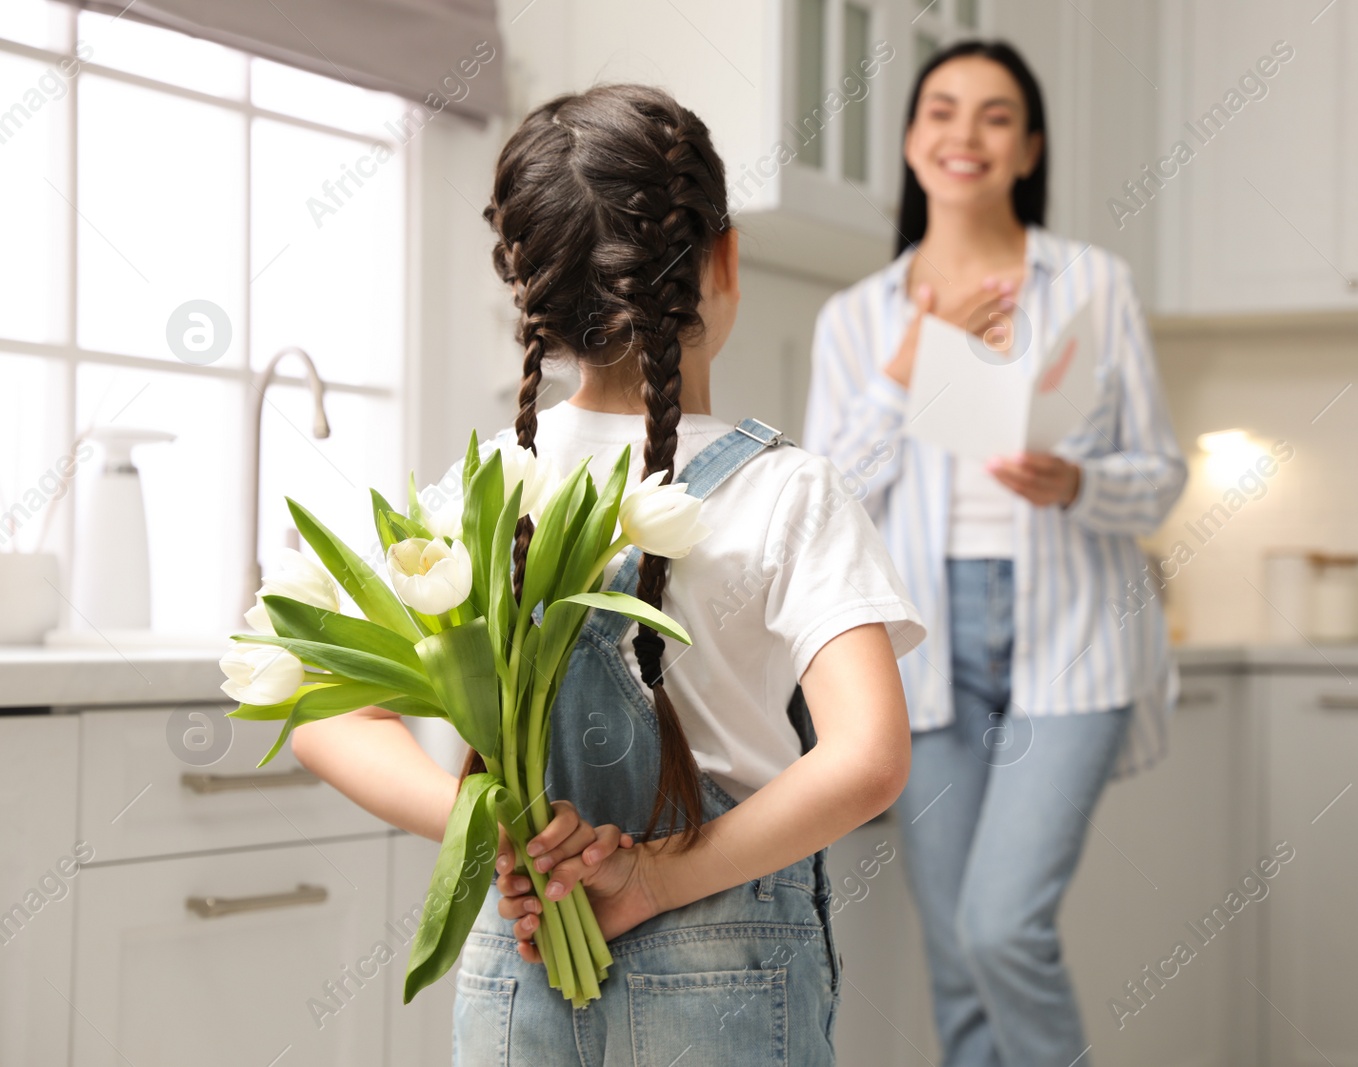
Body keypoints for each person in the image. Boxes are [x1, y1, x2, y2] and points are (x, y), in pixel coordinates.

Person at [290, 83, 926, 1066]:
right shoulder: (790, 491)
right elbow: (869, 755)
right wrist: (658, 880)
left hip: (525, 948)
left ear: (531, 291)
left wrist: (505, 836)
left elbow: (323, 709)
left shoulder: (480, 488)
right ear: (723, 258)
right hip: (723, 945)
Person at [802, 40, 1188, 1066]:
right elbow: (825, 503)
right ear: (909, 139)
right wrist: (904, 367)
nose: (964, 134)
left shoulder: (1093, 287)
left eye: (995, 114)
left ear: (1030, 147)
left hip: (1072, 642)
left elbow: (1159, 473)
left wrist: (1081, 482)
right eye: (940, 110)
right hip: (924, 653)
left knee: (1000, 924)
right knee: (957, 960)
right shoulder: (856, 320)